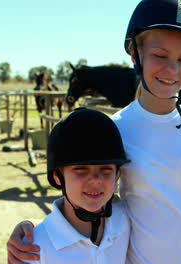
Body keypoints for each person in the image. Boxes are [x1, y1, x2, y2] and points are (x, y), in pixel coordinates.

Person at [7, 0, 181, 263]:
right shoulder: (116, 129)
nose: (172, 69)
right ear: (135, 54)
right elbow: (88, 196)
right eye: (160, 55)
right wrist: (35, 229)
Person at [19, 107, 131, 263]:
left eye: (106, 169)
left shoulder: (125, 222)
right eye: (81, 169)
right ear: (57, 176)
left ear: (117, 174)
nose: (95, 180)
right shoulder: (35, 248)